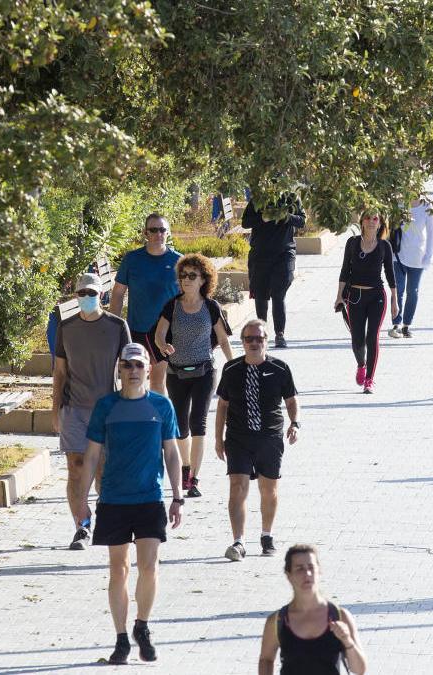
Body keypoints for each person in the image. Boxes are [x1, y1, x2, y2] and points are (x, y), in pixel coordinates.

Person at [76, 343, 183, 665]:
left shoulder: (161, 406)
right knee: (119, 569)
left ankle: (142, 626)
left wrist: (177, 496)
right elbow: (92, 455)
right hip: (114, 500)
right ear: (119, 370)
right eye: (127, 366)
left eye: (139, 365)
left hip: (150, 498)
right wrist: (81, 501)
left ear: (148, 369)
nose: (133, 371)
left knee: (149, 566)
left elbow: (173, 453)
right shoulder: (106, 407)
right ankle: (121, 638)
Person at [53, 272, 131, 550]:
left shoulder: (117, 326)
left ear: (102, 295)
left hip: (107, 410)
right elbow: (59, 372)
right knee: (75, 469)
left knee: (102, 470)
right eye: (82, 293)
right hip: (74, 409)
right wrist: (55, 412)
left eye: (92, 293)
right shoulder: (67, 327)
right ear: (76, 296)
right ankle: (82, 527)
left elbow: (129, 370)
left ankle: (107, 520)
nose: (87, 298)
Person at [214, 319, 300, 560]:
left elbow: (291, 401)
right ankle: (238, 541)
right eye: (248, 339)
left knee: (268, 488)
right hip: (238, 437)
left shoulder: (280, 368)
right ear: (242, 342)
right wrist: (218, 439)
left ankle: (266, 535)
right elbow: (222, 405)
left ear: (266, 341)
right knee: (237, 487)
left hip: (269, 437)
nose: (253, 343)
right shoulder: (231, 369)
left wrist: (295, 423)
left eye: (258, 338)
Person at [153, 254, 234, 498]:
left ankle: (194, 478)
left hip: (204, 372)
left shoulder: (211, 307)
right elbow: (159, 334)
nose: (186, 280)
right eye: (183, 276)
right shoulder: (173, 305)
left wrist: (233, 366)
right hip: (176, 373)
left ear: (203, 280)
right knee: (180, 425)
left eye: (192, 276)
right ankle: (185, 466)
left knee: (199, 422)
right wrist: (162, 347)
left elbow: (222, 339)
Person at [258, 544, 369, 674]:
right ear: (289, 575)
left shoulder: (340, 616)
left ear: (319, 571)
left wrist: (347, 640)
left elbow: (360, 670)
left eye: (311, 567)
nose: (307, 574)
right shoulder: (278, 621)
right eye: (300, 569)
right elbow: (266, 659)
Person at [109, 213, 181, 393]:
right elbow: (118, 294)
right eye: (154, 230)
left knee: (158, 382)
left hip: (166, 332)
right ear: (145, 233)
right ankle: (134, 418)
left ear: (168, 233)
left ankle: (159, 420)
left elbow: (189, 296)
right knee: (132, 381)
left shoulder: (179, 261)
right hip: (136, 330)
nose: (158, 234)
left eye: (162, 230)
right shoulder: (132, 259)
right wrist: (113, 327)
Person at [336, 213, 398, 394]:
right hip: (354, 296)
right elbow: (344, 270)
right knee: (357, 340)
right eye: (368, 218)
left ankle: (370, 379)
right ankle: (361, 365)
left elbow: (390, 274)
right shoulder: (352, 243)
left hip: (377, 297)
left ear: (380, 224)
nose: (371, 222)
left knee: (372, 337)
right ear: (362, 222)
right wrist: (339, 295)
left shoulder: (384, 246)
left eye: (375, 219)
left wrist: (395, 300)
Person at [241, 196, 306, 349]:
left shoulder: (291, 198)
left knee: (278, 293)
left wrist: (286, 216)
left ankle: (279, 334)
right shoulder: (259, 197)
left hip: (284, 253)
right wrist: (263, 218)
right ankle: (261, 333)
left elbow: (302, 221)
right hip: (260, 253)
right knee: (261, 295)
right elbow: (245, 222)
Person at [389, 196, 433, 339]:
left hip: (418, 258)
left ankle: (406, 325)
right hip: (397, 256)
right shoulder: (398, 203)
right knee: (397, 289)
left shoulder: (427, 207)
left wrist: (428, 257)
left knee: (412, 291)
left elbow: (431, 235)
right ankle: (396, 324)